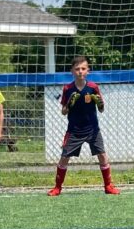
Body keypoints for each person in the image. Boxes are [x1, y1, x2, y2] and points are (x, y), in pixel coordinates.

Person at [48, 56, 119, 196]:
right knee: (64, 157)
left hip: (93, 130)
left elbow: (102, 109)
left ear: (88, 71)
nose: (80, 71)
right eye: (77, 69)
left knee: (103, 155)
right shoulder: (67, 88)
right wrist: (69, 104)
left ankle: (108, 186)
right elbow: (63, 112)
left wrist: (100, 103)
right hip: (74, 130)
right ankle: (57, 188)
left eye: (83, 68)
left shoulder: (93, 87)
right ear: (72, 71)